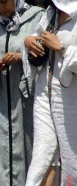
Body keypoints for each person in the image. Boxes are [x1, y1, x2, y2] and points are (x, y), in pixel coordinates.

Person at [0, 0, 44, 185]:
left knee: (29, 159)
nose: (0, 8)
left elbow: (46, 54)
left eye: (4, 2)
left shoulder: (37, 17)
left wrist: (22, 56)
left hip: (25, 103)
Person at [22, 0, 77, 185]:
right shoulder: (51, 12)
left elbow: (58, 47)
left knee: (72, 160)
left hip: (71, 100)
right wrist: (29, 41)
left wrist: (61, 48)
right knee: (41, 154)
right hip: (44, 93)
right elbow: (37, 36)